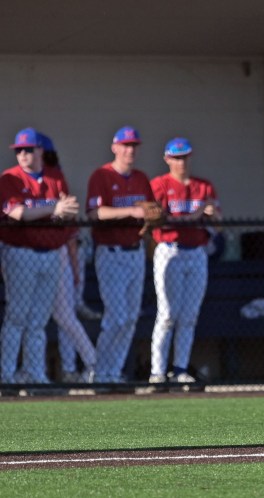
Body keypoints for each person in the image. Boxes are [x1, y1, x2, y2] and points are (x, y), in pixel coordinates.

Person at [0, 127, 79, 383]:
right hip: (20, 254)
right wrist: (53, 209)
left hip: (51, 254)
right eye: (19, 150)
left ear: (40, 151)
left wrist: (53, 211)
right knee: (17, 317)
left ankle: (35, 375)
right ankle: (6, 374)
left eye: (28, 149)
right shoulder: (9, 179)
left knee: (39, 320)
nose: (23, 154)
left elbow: (68, 211)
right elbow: (18, 213)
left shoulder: (55, 178)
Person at [148, 138, 221, 384]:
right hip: (169, 249)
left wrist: (211, 215)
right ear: (167, 159)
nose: (181, 162)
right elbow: (159, 221)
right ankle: (157, 373)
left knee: (189, 315)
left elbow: (219, 225)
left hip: (196, 252)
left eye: (185, 157)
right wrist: (197, 214)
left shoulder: (203, 187)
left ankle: (179, 370)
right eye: (176, 158)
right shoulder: (158, 184)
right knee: (167, 314)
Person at [86, 126, 155, 383]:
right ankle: (99, 372)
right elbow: (95, 213)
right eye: (125, 145)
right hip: (111, 253)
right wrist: (130, 213)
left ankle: (113, 373)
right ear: (114, 147)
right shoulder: (101, 175)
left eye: (134, 146)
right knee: (116, 316)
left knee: (129, 319)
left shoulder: (141, 178)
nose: (130, 150)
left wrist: (151, 217)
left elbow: (149, 211)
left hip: (135, 252)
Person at [39, 132, 97, 383]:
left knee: (62, 316)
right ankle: (37, 372)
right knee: (35, 319)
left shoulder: (57, 181)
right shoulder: (24, 181)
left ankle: (91, 364)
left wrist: (74, 270)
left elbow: (71, 236)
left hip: (59, 253)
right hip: (33, 256)